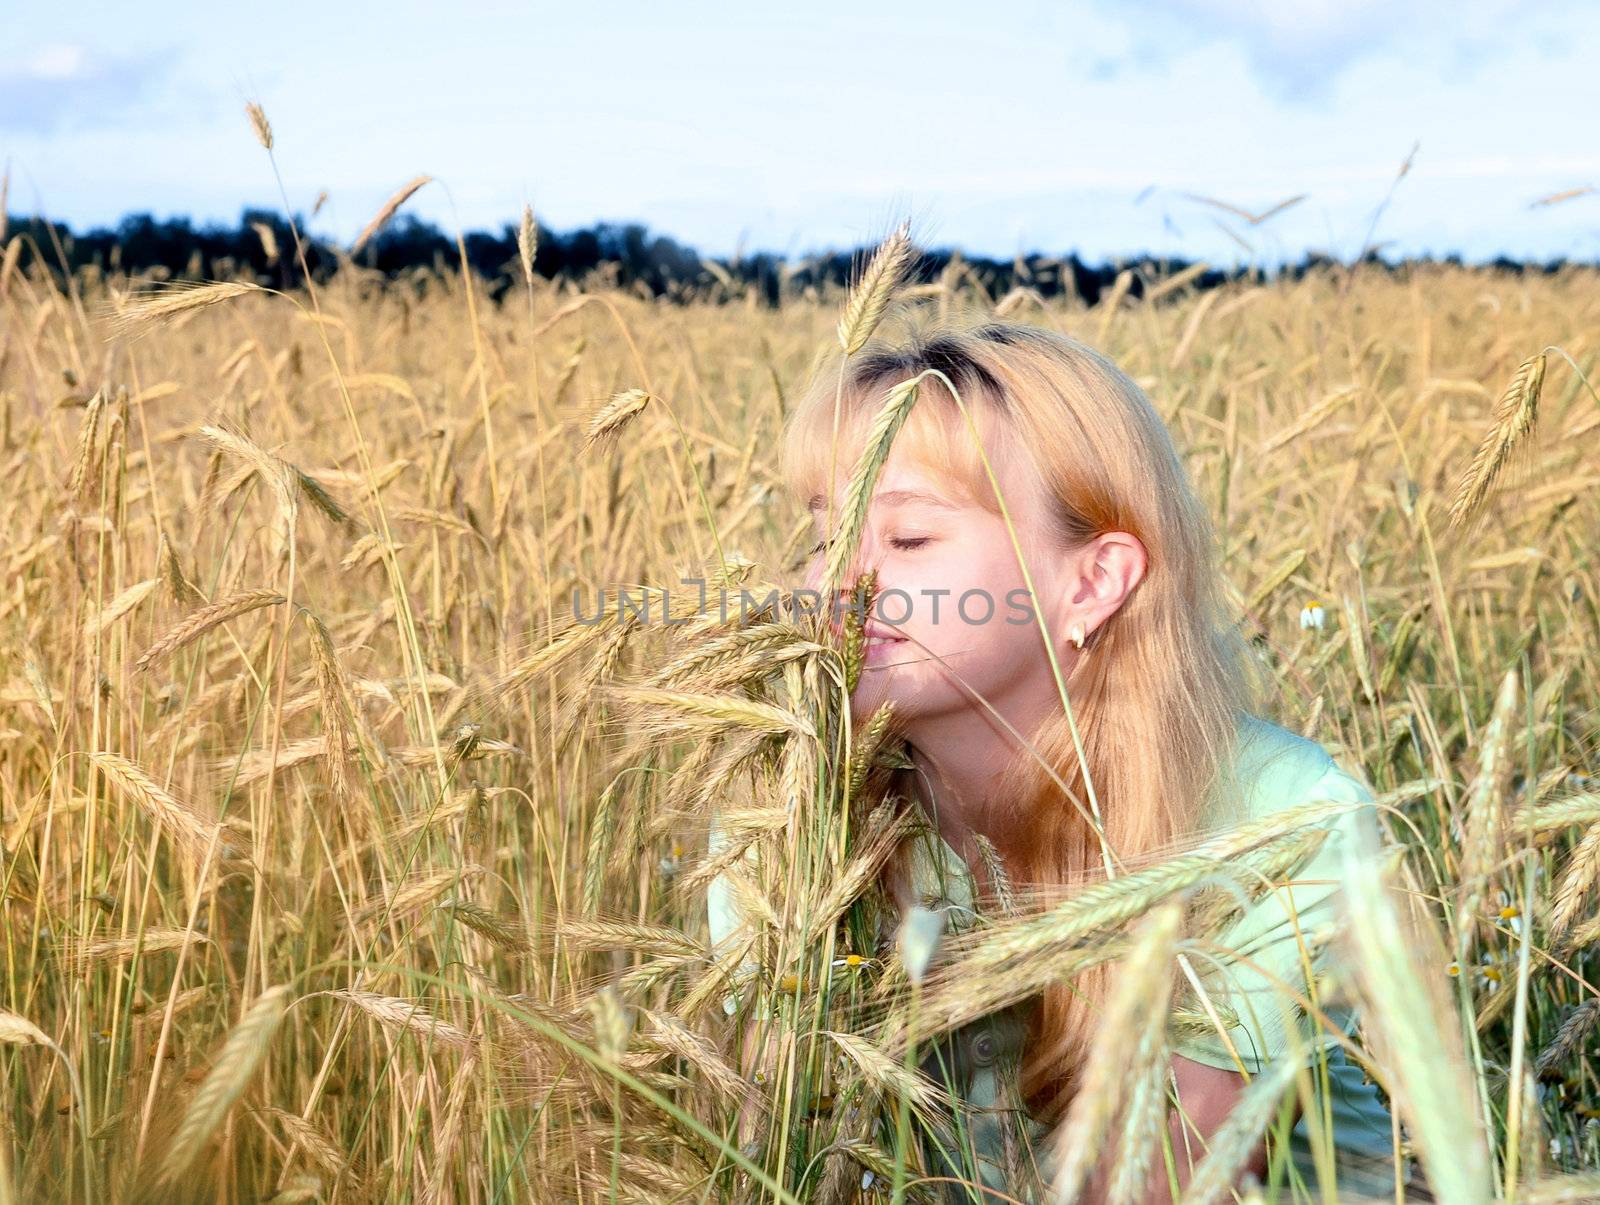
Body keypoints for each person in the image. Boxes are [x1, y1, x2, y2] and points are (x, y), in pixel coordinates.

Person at [708, 319, 1422, 1202]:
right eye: (826, 535)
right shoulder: (790, 814)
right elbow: (770, 1143)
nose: (838, 586)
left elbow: (1150, 1185)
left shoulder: (1280, 820)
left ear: (1091, 582)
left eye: (909, 539)